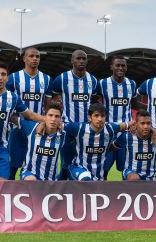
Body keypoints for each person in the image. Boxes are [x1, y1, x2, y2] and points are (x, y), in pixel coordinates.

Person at [7, 47, 53, 180]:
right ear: (24, 59)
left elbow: (48, 106)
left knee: (34, 165)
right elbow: (9, 103)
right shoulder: (14, 78)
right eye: (32, 56)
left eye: (37, 56)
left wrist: (45, 121)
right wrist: (14, 119)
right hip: (18, 128)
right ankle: (8, 195)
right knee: (13, 165)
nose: (35, 59)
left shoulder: (46, 79)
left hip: (38, 129)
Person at [52, 49, 99, 180]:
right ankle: (61, 186)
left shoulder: (93, 80)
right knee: (66, 162)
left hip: (86, 129)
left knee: (83, 162)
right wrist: (59, 107)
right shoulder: (62, 78)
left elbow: (95, 102)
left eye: (84, 58)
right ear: (72, 60)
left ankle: (81, 187)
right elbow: (54, 97)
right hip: (67, 128)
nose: (81, 61)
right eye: (78, 58)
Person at [98, 55, 142, 173]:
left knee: (127, 169)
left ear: (126, 68)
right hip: (108, 131)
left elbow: (135, 104)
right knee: (103, 169)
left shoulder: (131, 84)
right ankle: (102, 191)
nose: (120, 68)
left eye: (123, 66)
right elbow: (94, 104)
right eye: (117, 65)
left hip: (127, 133)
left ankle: (125, 192)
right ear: (111, 67)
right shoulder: (102, 84)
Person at [66, 103, 132, 181]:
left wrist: (149, 129)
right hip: (79, 168)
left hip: (98, 174)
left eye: (102, 116)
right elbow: (60, 126)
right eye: (96, 116)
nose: (100, 119)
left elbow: (128, 125)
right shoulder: (79, 128)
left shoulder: (111, 128)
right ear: (90, 118)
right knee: (86, 178)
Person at [12, 103, 65, 181]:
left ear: (60, 119)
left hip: (50, 180)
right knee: (31, 180)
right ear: (44, 116)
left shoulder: (64, 134)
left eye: (57, 116)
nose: (53, 119)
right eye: (50, 115)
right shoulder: (32, 128)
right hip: (29, 174)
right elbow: (13, 118)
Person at [111, 110, 156, 181]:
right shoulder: (127, 137)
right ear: (136, 124)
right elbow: (112, 147)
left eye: (148, 123)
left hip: (150, 176)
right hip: (130, 173)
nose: (146, 126)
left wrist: (154, 131)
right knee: (134, 178)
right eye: (142, 123)